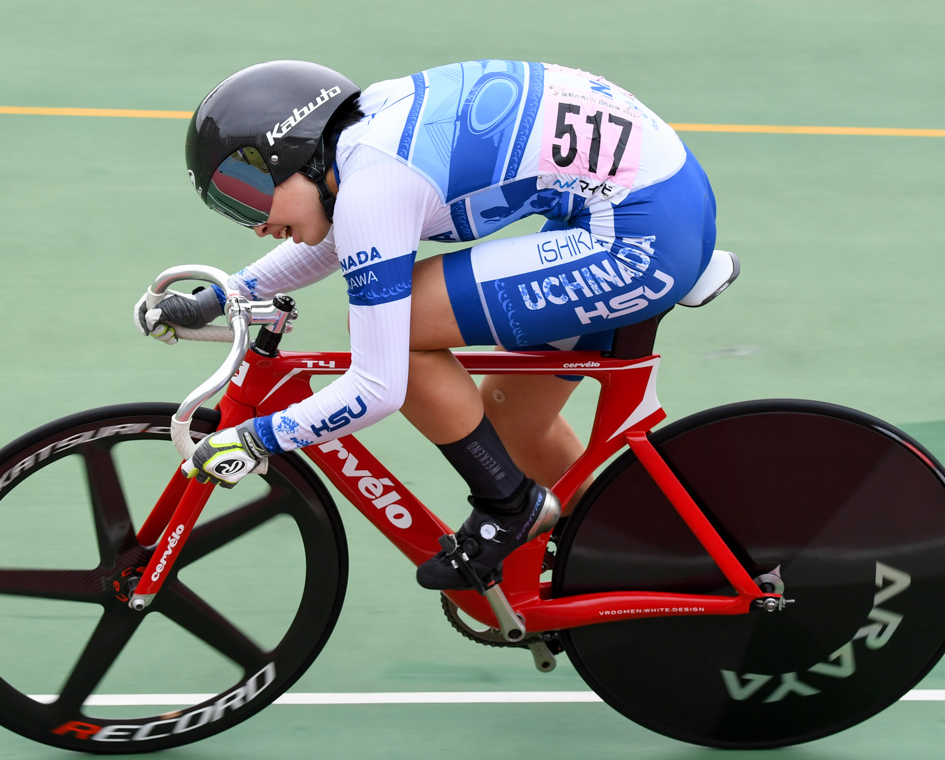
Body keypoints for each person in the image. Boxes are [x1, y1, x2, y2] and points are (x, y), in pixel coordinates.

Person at [136, 59, 718, 591]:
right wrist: (223, 296)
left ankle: (509, 509)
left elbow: (377, 387)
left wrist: (258, 437)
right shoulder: (362, 138)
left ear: (296, 153)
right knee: (513, 417)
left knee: (405, 325)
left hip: (638, 239)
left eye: (248, 195)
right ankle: (637, 556)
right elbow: (344, 237)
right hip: (655, 207)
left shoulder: (375, 184)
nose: (254, 224)